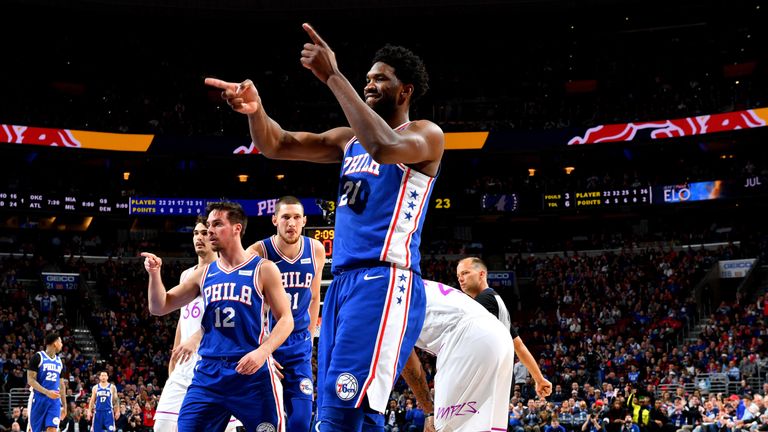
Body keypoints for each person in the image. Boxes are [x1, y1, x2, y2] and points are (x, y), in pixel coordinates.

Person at [205, 22, 444, 431]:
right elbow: (276, 144)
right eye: (366, 77)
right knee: (352, 413)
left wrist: (334, 75)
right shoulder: (348, 140)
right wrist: (256, 109)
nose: (369, 84)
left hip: (385, 279)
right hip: (343, 285)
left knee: (339, 405)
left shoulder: (425, 135)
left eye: (380, 79)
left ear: (405, 91)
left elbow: (384, 147)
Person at [142, 201, 294, 432]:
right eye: (208, 225)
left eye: (217, 225)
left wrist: (263, 352)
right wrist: (154, 274)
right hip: (209, 372)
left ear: (237, 228)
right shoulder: (203, 274)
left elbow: (286, 319)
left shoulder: (263, 269)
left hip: (250, 371)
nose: (210, 231)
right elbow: (159, 306)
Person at [401, 280, 552, 432]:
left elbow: (406, 358)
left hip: (466, 339)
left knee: (446, 429)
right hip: (499, 338)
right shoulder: (414, 283)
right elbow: (518, 344)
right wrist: (538, 378)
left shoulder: (385, 296)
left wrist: (429, 412)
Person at [154, 217, 241, 432]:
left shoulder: (226, 273)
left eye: (204, 233)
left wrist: (197, 337)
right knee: (163, 427)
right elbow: (184, 319)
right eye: (195, 233)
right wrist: (174, 357)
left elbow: (228, 320)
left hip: (214, 363)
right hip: (185, 366)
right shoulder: (187, 275)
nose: (199, 238)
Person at [246, 196, 325, 432]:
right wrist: (262, 349)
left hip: (298, 343)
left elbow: (313, 297)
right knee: (266, 423)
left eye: (296, 218)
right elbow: (247, 307)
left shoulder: (316, 250)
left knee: (301, 421)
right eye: (285, 217)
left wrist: (310, 338)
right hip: (267, 341)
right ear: (274, 220)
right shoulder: (258, 252)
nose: (291, 223)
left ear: (304, 221)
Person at [456, 257, 552, 391]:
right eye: (458, 275)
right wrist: (539, 379)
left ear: (482, 274)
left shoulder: (484, 300)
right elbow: (519, 346)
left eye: (465, 273)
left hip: (488, 380)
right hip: (502, 380)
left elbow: (469, 343)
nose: (460, 279)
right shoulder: (496, 300)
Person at [27, 332, 67, 432]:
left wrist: (65, 407)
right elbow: (30, 380)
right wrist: (47, 392)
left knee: (52, 428)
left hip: (54, 401)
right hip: (38, 399)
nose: (62, 344)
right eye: (60, 342)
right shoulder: (38, 357)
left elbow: (62, 386)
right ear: (55, 343)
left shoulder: (59, 362)